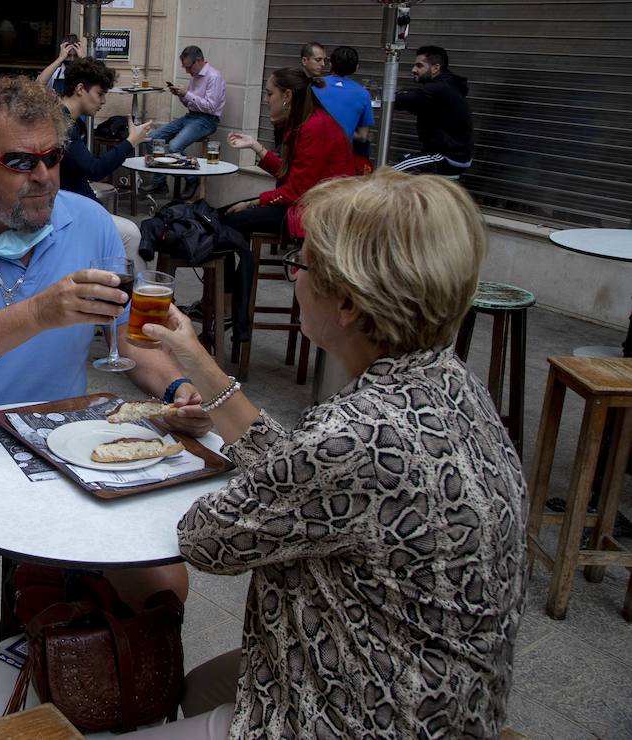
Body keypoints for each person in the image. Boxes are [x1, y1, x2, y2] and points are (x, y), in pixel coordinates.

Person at [0, 75, 212, 736]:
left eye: (52, 156)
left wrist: (174, 389)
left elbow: (125, 342)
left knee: (166, 589)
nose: (44, 175)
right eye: (20, 161)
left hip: (60, 445)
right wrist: (37, 313)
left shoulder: (88, 222)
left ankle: (76, 638)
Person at [139, 171, 526, 738]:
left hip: (362, 717)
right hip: (452, 705)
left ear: (345, 302)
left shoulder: (353, 434)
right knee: (199, 688)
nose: (293, 276)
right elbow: (310, 476)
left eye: (302, 263)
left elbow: (206, 539)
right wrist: (197, 360)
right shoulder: (452, 382)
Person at [219, 66, 354, 341]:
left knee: (229, 222)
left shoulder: (314, 127)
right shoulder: (305, 124)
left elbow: (297, 189)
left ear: (288, 95)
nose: (267, 99)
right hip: (306, 206)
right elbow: (290, 174)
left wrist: (255, 202)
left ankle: (233, 308)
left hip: (317, 214)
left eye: (270, 93)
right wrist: (257, 147)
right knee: (223, 219)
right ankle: (232, 305)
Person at [57, 57, 152, 271]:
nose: (103, 101)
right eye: (100, 93)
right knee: (131, 234)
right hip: (69, 211)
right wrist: (130, 142)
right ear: (80, 89)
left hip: (72, 206)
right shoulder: (62, 123)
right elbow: (94, 169)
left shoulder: (66, 119)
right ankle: (139, 297)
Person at [141, 46, 225, 196]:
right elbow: (191, 104)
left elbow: (211, 107)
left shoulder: (214, 77)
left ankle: (192, 179)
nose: (187, 71)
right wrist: (181, 95)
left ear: (199, 61)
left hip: (207, 120)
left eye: (188, 67)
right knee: (152, 139)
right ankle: (160, 183)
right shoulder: (195, 76)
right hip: (191, 116)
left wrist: (187, 94)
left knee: (174, 147)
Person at [392, 44, 474, 176]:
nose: (413, 70)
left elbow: (405, 99)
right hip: (452, 155)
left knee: (389, 174)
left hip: (447, 157)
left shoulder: (439, 88)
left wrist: (381, 97)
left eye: (419, 66)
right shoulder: (448, 85)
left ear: (435, 68)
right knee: (402, 161)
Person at [312, 45, 373, 143]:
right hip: (341, 153)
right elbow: (363, 136)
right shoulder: (363, 94)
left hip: (311, 147)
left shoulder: (314, 84)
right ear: (356, 67)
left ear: (331, 64)